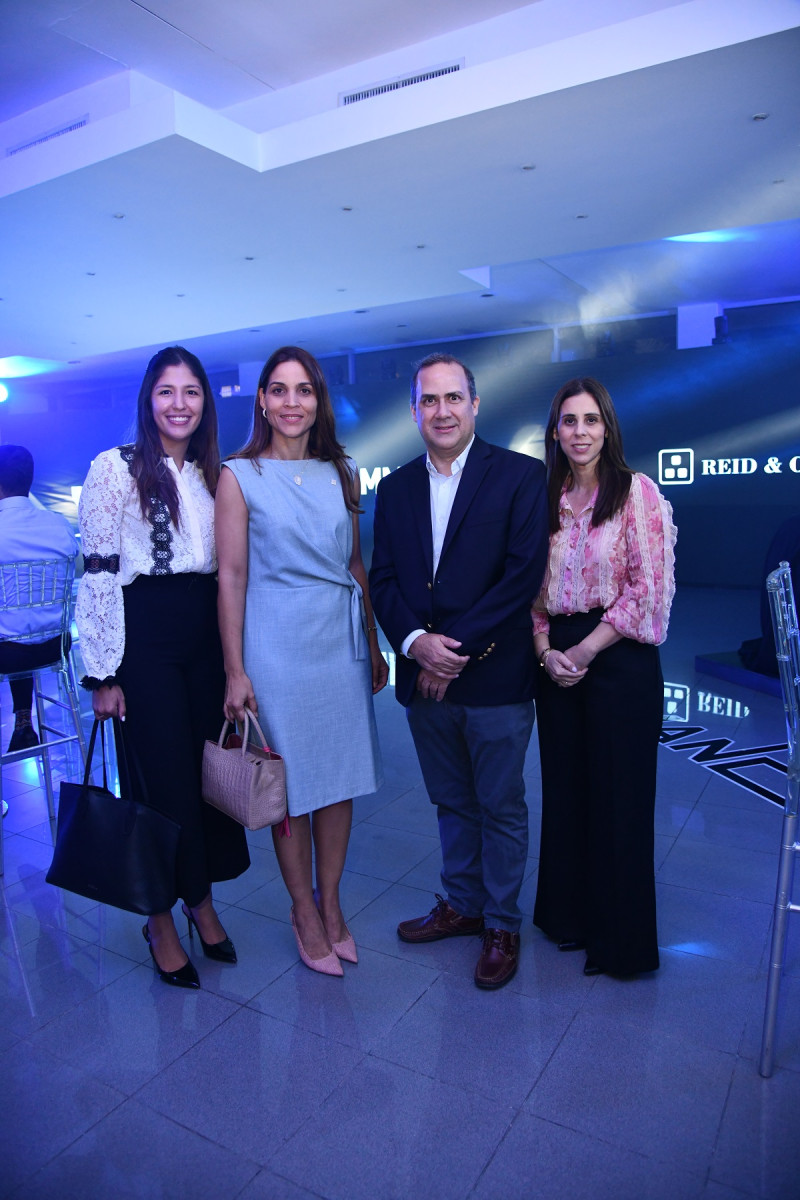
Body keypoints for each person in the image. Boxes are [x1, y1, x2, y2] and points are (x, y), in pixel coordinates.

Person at [370, 353, 548, 989]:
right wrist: (418, 644)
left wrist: (453, 648)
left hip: (495, 678)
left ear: (475, 404)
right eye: (428, 401)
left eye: (453, 399)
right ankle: (462, 905)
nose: (441, 411)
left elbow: (521, 576)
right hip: (425, 679)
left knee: (500, 804)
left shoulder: (522, 477)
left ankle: (501, 923)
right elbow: (385, 581)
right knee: (451, 801)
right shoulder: (392, 490)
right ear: (414, 410)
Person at [75, 346, 250, 989]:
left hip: (203, 632)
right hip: (141, 637)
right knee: (160, 785)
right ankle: (161, 918)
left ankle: (201, 901)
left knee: (205, 781)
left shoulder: (215, 473)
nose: (179, 404)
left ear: (206, 403)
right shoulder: (114, 469)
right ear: (148, 401)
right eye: (166, 392)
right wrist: (102, 675)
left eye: (192, 393)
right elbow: (95, 573)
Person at [216, 345, 386, 978]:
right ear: (261, 399)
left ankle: (332, 902)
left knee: (337, 779)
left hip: (336, 641)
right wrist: (236, 670)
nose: (292, 403)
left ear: (320, 401)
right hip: (276, 645)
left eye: (305, 390)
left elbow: (355, 565)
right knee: (289, 787)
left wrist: (371, 642)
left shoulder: (339, 471)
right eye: (280, 390)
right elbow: (231, 577)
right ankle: (301, 911)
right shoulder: (238, 475)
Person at [532, 376, 676, 978]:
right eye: (570, 421)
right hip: (554, 658)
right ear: (556, 431)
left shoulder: (636, 492)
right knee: (565, 792)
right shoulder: (545, 495)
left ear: (608, 427)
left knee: (618, 799)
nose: (581, 432)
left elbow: (651, 591)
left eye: (591, 420)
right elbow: (528, 590)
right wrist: (543, 647)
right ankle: (568, 920)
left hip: (618, 658)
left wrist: (585, 651)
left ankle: (619, 943)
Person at [0, 446, 78, 804]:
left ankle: (22, 719)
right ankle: (22, 720)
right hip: (52, 646)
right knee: (18, 627)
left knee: (10, 630)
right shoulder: (59, 527)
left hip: (6, 652)